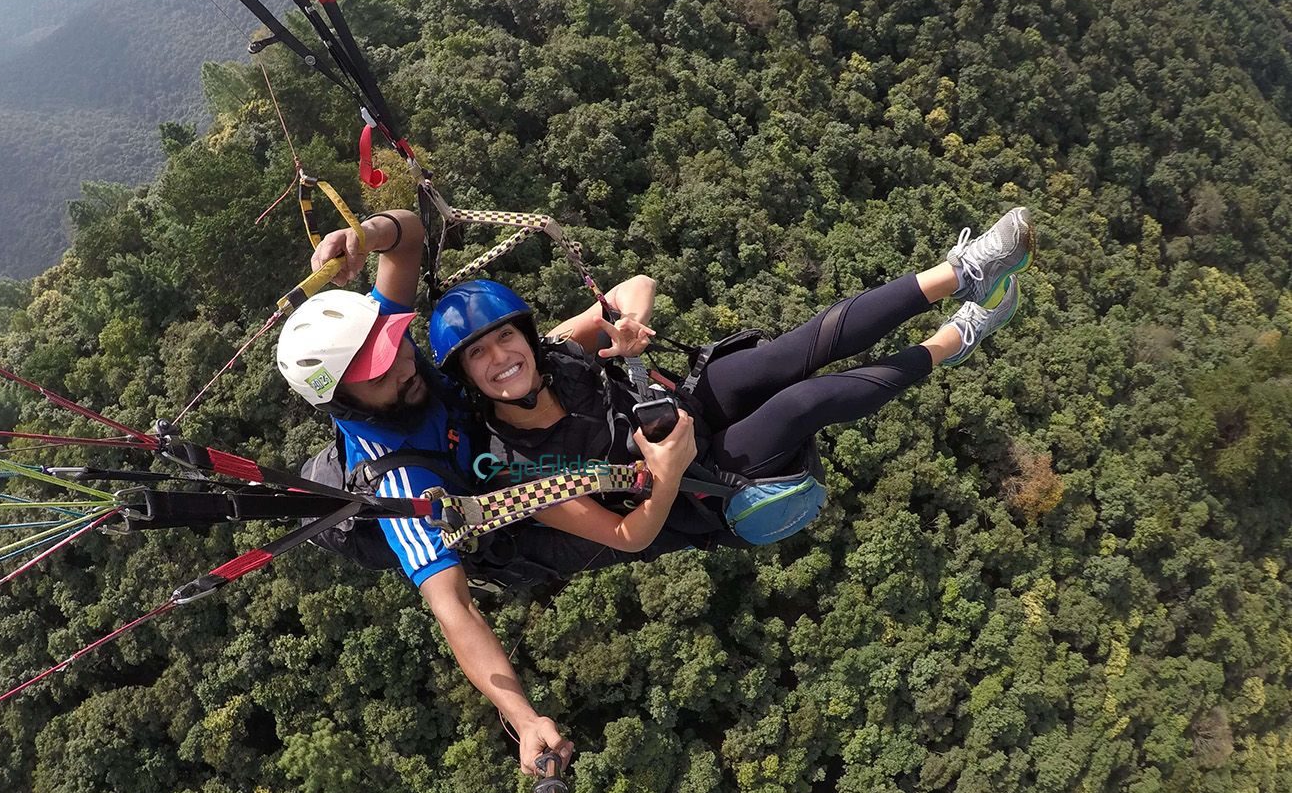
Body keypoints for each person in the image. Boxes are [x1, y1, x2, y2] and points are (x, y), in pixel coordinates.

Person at [275, 209, 695, 774]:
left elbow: (408, 239)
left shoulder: (380, 341)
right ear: (343, 400)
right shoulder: (396, 480)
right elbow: (455, 610)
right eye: (378, 373)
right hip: (505, 526)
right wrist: (522, 718)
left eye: (396, 346)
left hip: (505, 437)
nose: (403, 363)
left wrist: (361, 237)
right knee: (666, 524)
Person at [429, 208, 1035, 552]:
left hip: (682, 402)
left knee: (793, 351)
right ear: (467, 378)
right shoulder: (520, 469)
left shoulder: (556, 351)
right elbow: (625, 535)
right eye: (478, 354)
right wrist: (664, 477)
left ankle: (963, 271)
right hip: (697, 483)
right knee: (804, 400)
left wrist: (631, 325)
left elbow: (634, 286)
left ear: (525, 336)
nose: (501, 357)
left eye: (505, 337)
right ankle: (955, 338)